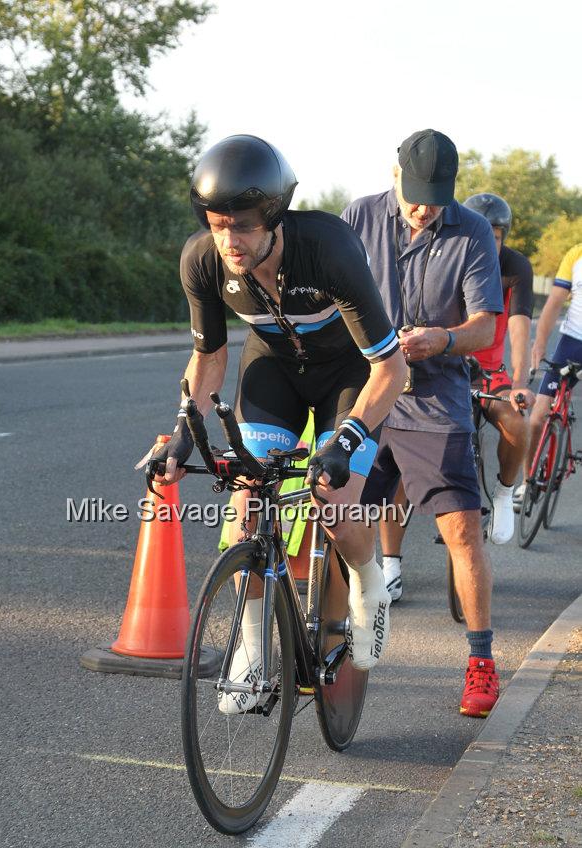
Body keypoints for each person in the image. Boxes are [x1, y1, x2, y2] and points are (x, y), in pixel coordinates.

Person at [153, 134, 407, 714]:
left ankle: (369, 583)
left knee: (336, 505)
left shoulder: (328, 249)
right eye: (218, 225)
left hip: (350, 373)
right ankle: (251, 650)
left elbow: (390, 369)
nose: (229, 240)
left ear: (273, 218)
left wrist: (348, 438)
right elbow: (211, 359)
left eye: (242, 225)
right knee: (248, 513)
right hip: (273, 372)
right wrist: (183, 429)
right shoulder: (202, 260)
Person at [342, 129, 505, 718]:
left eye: (435, 196)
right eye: (414, 193)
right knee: (336, 515)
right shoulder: (357, 217)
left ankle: (482, 663)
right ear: (395, 175)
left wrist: (444, 339)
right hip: (363, 395)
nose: (422, 206)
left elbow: (485, 328)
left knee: (462, 530)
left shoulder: (473, 231)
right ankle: (345, 628)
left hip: (436, 403)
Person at [461, 194, 534, 543]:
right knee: (396, 455)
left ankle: (504, 494)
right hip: (446, 371)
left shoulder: (515, 266)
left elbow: (520, 325)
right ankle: (392, 563)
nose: (489, 243)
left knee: (517, 422)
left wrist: (520, 381)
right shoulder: (450, 259)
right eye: (482, 233)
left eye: (497, 235)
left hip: (493, 375)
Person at [519, 241, 582, 492]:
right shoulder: (576, 253)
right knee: (537, 418)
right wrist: (540, 344)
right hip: (571, 342)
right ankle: (527, 481)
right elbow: (554, 303)